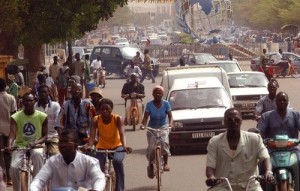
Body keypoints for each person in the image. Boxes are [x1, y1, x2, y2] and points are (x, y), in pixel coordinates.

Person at [206, 108, 273, 191]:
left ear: (241, 121)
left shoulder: (254, 139)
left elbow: (265, 157)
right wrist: (211, 176)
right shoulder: (215, 142)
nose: (234, 122)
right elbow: (210, 165)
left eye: (237, 119)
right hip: (223, 186)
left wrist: (268, 172)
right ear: (225, 122)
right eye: (230, 120)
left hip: (250, 186)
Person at [30, 129, 105, 191]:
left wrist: (97, 189)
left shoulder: (89, 162)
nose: (62, 145)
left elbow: (99, 178)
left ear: (76, 145)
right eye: (60, 142)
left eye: (66, 142)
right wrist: (34, 189)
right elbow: (39, 180)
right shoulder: (52, 162)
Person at [85, 98, 130, 191]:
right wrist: (89, 146)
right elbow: (92, 136)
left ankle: (120, 188)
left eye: (107, 109)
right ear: (99, 110)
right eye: (102, 109)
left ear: (111, 109)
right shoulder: (95, 119)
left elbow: (122, 133)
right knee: (97, 165)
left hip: (118, 146)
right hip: (101, 147)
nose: (105, 111)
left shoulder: (117, 118)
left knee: (117, 161)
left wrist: (125, 146)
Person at [7, 92, 48, 191]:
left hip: (36, 146)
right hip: (20, 145)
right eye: (26, 101)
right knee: (13, 168)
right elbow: (12, 134)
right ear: (22, 102)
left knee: (38, 157)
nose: (29, 103)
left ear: (34, 102)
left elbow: (45, 136)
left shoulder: (42, 116)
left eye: (31, 100)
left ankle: (38, 186)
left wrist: (36, 143)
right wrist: (9, 145)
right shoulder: (15, 117)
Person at [140, 85, 173, 178]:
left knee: (164, 142)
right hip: (152, 127)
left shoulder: (166, 104)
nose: (158, 94)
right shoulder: (149, 104)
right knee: (151, 148)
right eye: (156, 93)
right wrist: (143, 125)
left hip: (163, 126)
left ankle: (166, 163)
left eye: (160, 93)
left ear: (162, 94)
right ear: (153, 94)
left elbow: (170, 116)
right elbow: (146, 117)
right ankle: (150, 165)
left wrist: (171, 124)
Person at [34, 84, 61, 156]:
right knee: (37, 154)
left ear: (48, 93)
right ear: (38, 94)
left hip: (53, 135)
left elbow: (58, 122)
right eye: (41, 92)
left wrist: (60, 137)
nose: (43, 94)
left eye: (45, 92)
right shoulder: (35, 106)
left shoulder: (55, 105)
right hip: (39, 136)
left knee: (55, 154)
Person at [0, 78, 16, 185]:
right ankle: (10, 178)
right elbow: (14, 115)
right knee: (8, 153)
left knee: (0, 154)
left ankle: (3, 177)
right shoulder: (11, 98)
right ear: (6, 85)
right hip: (9, 129)